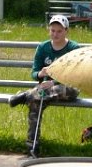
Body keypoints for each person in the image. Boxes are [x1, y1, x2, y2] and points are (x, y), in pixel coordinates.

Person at [8, 14, 80, 157]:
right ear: (49, 30)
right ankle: (32, 146)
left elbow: (75, 74)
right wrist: (41, 74)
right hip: (44, 91)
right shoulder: (43, 47)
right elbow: (34, 73)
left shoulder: (73, 47)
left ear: (66, 31)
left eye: (59, 31)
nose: (55, 34)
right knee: (35, 101)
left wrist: (54, 82)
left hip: (67, 87)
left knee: (43, 93)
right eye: (52, 30)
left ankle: (26, 95)